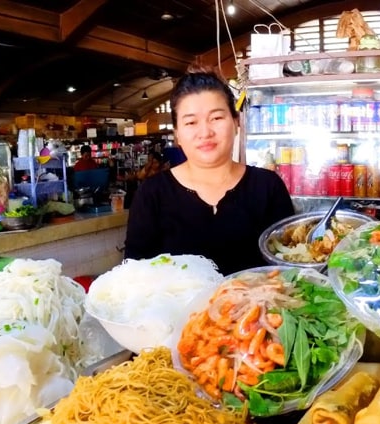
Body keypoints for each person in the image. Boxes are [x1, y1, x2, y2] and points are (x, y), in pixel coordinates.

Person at [124, 67, 295, 274]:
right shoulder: (152, 194)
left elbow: (289, 266)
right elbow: (134, 276)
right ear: (177, 133)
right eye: (191, 122)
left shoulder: (268, 186)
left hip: (260, 306)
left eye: (216, 118)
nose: (205, 132)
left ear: (236, 122)